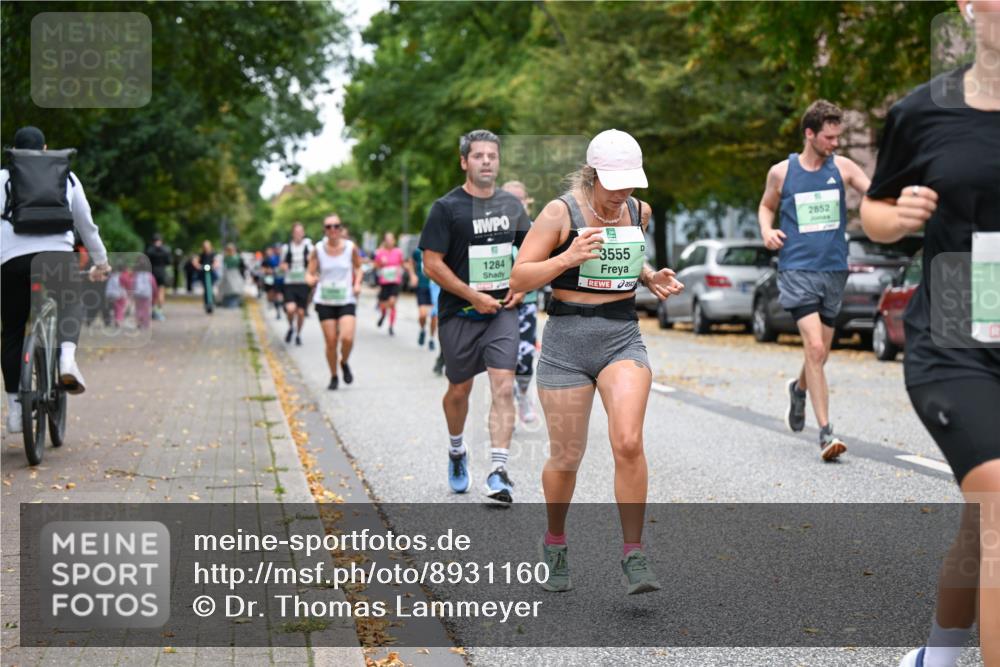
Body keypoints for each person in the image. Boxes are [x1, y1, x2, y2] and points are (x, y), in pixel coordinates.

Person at [860, 2, 1000, 664]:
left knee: (986, 515)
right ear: (970, 5)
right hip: (954, 335)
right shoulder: (924, 111)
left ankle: (938, 653)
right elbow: (875, 209)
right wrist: (900, 215)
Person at [510, 129, 683, 595]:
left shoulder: (637, 211)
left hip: (621, 338)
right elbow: (520, 276)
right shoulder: (558, 212)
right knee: (567, 456)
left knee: (628, 441)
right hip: (566, 344)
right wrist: (567, 256)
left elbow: (628, 260)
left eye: (631, 181)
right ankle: (555, 541)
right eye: (616, 181)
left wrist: (649, 275)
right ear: (592, 174)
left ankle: (634, 554)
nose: (625, 191)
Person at [419, 129, 532, 504]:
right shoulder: (446, 208)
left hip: (501, 313)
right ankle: (456, 450)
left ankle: (499, 472)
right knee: (459, 390)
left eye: (492, 156)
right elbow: (431, 264)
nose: (486, 161)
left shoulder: (511, 207)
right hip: (459, 313)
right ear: (464, 161)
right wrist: (472, 295)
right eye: (479, 155)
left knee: (503, 386)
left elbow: (530, 252)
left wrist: (524, 285)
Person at [757, 99, 872, 461]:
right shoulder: (782, 172)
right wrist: (766, 231)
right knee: (816, 349)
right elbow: (766, 206)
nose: (835, 143)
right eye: (829, 137)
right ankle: (826, 434)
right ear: (810, 134)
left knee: (821, 352)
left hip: (834, 269)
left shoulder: (843, 167)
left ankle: (799, 388)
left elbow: (874, 192)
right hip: (797, 269)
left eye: (838, 136)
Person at [1, 126, 111, 433]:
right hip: (57, 258)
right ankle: (66, 360)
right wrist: (101, 261)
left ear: (14, 152)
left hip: (11, 262)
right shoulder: (67, 176)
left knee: (11, 330)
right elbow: (86, 224)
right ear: (46, 149)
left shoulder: (1, 179)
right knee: (70, 301)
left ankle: (13, 411)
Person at [306, 214, 363, 390]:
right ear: (324, 229)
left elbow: (359, 267)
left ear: (340, 228)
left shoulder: (350, 248)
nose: (333, 229)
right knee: (331, 341)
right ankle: (333, 376)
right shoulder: (318, 249)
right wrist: (310, 279)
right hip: (325, 300)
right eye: (329, 226)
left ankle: (343, 361)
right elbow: (309, 272)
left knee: (347, 338)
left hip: (346, 298)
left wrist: (357, 283)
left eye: (336, 226)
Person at [502, 180, 540, 425]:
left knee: (524, 360)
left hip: (527, 302)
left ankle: (523, 394)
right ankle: (506, 411)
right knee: (502, 361)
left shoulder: (539, 230)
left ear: (527, 202)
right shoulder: (492, 229)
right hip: (499, 305)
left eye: (519, 199)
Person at [280, 222, 314, 345]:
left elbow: (313, 262)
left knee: (300, 312)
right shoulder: (286, 248)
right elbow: (282, 264)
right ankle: (291, 327)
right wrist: (284, 266)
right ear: (293, 234)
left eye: (300, 232)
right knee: (290, 309)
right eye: (296, 232)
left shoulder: (309, 247)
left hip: (303, 283)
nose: (298, 234)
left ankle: (298, 334)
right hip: (290, 282)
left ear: (303, 233)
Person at [405, 247, 437, 349]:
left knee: (434, 316)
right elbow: (410, 263)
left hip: (435, 287)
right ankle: (422, 329)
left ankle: (432, 339)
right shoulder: (418, 251)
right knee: (423, 314)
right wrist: (412, 275)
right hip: (422, 285)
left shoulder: (439, 249)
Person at [374, 232, 404, 335]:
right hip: (384, 281)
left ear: (394, 241)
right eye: (387, 240)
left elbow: (401, 264)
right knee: (383, 305)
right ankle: (383, 314)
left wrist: (400, 270)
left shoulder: (398, 252)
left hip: (395, 281)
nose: (389, 242)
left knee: (392, 303)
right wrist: (381, 264)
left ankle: (391, 326)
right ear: (384, 241)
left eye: (391, 239)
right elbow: (376, 266)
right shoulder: (380, 253)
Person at [145, 233, 171, 320]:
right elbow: (168, 262)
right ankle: (160, 310)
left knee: (153, 292)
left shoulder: (150, 250)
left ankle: (154, 310)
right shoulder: (166, 250)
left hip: (152, 273)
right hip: (162, 273)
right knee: (161, 291)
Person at [193, 240, 219, 313]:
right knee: (206, 288)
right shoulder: (201, 254)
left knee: (210, 288)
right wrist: (198, 266)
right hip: (203, 273)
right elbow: (196, 261)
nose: (206, 248)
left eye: (207, 246)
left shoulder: (213, 254)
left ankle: (212, 302)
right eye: (205, 247)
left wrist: (214, 266)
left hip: (211, 273)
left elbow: (216, 262)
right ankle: (206, 303)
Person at [219, 243, 247, 308]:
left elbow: (241, 265)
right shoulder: (226, 257)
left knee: (236, 286)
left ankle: (238, 302)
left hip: (235, 273)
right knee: (226, 287)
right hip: (228, 273)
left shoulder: (237, 257)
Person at [261, 244, 284, 319]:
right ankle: (276, 309)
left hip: (283, 280)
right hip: (271, 279)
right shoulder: (270, 258)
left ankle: (280, 310)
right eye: (277, 249)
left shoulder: (285, 257)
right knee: (272, 295)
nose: (278, 250)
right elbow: (263, 269)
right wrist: (269, 271)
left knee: (280, 296)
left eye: (279, 249)